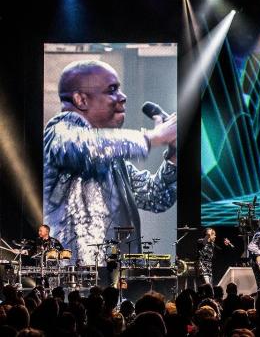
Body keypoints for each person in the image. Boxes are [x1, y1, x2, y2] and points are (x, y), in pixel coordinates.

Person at [43, 60, 177, 265]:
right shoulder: (59, 132)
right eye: (112, 90)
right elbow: (83, 147)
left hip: (121, 282)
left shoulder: (114, 159)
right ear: (81, 100)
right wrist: (154, 137)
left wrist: (174, 152)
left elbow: (155, 197)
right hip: (77, 285)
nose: (122, 97)